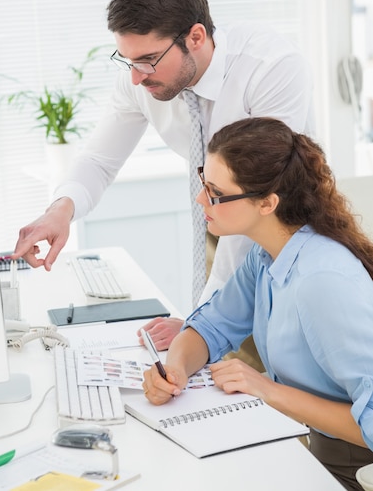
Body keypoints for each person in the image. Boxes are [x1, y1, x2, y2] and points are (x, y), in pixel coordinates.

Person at [12, 0, 313, 355]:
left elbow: (256, 205)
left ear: (196, 36)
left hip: (281, 233)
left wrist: (200, 322)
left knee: (273, 368)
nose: (137, 76)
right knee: (215, 367)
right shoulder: (141, 78)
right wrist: (61, 210)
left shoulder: (269, 68)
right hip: (222, 217)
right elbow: (99, 160)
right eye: (127, 60)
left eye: (148, 60)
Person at [142, 117, 373, 491]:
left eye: (215, 191)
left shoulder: (323, 282)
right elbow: (211, 326)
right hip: (311, 442)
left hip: (355, 465)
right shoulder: (266, 256)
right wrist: (175, 371)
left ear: (267, 202)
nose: (201, 200)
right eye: (203, 183)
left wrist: (267, 389)